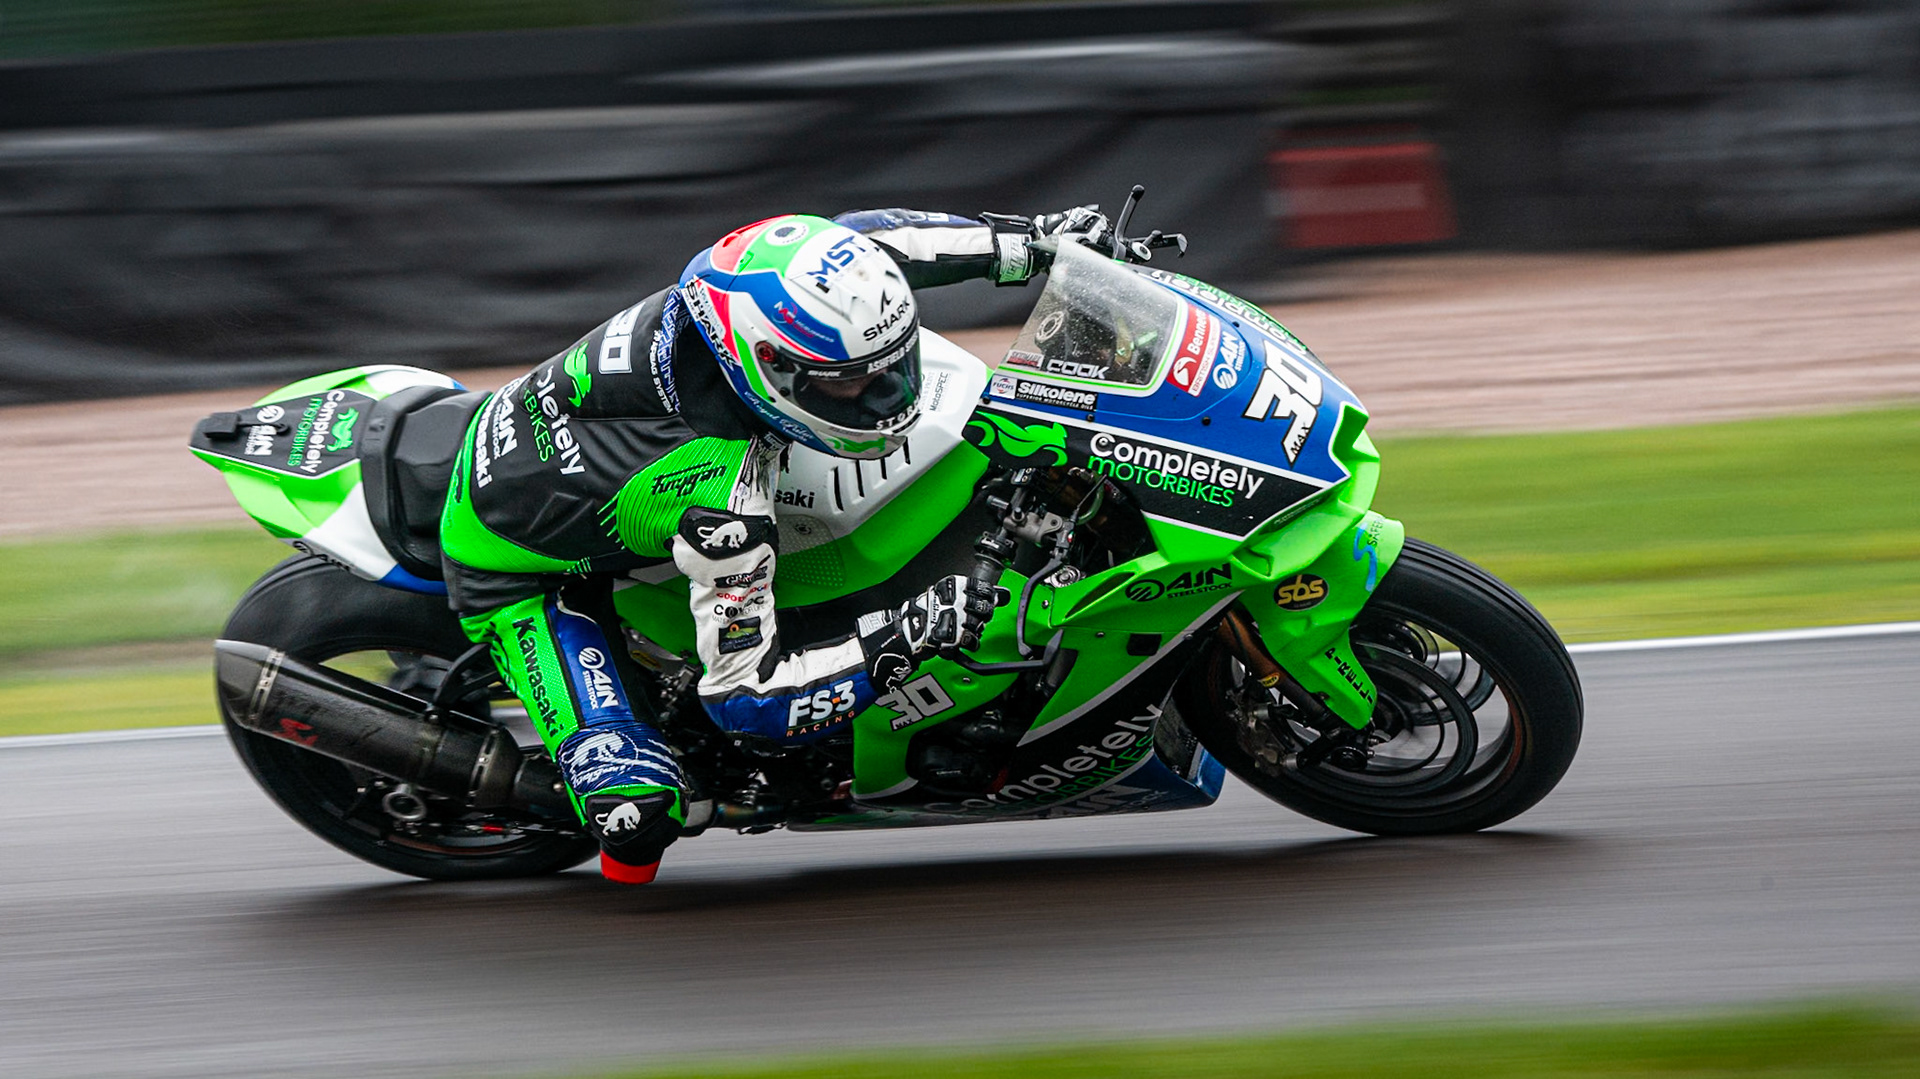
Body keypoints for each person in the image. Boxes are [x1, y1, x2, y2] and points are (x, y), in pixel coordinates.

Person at [437, 206, 1105, 884]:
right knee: (640, 812)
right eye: (853, 383)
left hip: (558, 457)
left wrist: (1043, 246)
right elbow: (750, 701)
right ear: (771, 367)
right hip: (520, 579)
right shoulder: (718, 500)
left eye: (893, 364)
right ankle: (619, 785)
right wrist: (902, 637)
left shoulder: (759, 290)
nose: (890, 398)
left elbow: (876, 240)